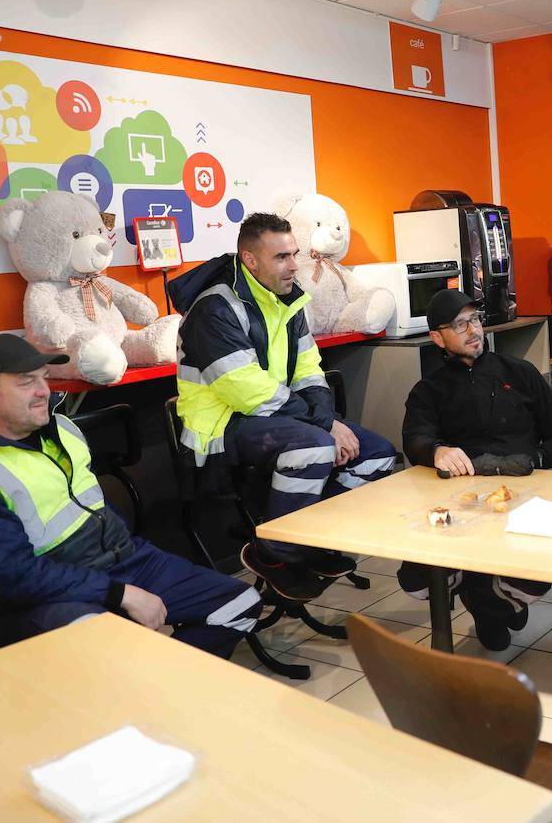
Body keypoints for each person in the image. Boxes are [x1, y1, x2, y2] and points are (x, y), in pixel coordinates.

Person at [0, 335, 262, 658]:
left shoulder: (63, 429)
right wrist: (120, 593)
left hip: (120, 559)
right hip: (44, 594)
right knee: (104, 647)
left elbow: (93, 506)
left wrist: (128, 567)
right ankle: (136, 693)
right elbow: (16, 578)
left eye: (44, 378)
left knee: (240, 603)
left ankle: (160, 688)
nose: (44, 392)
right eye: (26, 382)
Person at [169, 212, 397, 601]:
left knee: (379, 456)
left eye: (294, 254)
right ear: (250, 259)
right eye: (281, 257)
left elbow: (311, 369)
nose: (294, 265)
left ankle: (312, 539)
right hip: (219, 429)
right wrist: (324, 427)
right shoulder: (213, 308)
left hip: (277, 418)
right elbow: (246, 391)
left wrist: (324, 418)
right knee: (315, 446)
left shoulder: (287, 298)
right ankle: (275, 553)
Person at [399, 289, 552, 651]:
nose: (473, 330)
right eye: (460, 324)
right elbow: (414, 439)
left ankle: (489, 604)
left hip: (524, 495)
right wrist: (436, 451)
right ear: (437, 337)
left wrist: (536, 459)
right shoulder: (428, 389)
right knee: (414, 578)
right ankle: (493, 601)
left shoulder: (520, 372)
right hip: (462, 501)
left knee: (546, 564)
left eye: (475, 320)